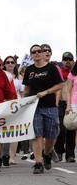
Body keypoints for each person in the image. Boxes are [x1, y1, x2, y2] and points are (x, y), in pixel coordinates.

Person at [23, 44, 62, 174]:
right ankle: (38, 163)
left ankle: (47, 154)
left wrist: (46, 92)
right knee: (37, 134)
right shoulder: (29, 70)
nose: (37, 53)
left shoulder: (51, 68)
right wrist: (24, 102)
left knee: (51, 135)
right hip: (35, 108)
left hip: (50, 106)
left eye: (40, 51)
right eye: (34, 52)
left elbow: (59, 85)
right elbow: (27, 89)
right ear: (31, 55)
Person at [2, 56, 24, 165]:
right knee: (5, 130)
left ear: (15, 64)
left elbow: (22, 93)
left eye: (12, 62)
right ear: (4, 64)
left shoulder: (19, 77)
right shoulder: (1, 75)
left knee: (15, 131)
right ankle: (3, 154)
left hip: (17, 105)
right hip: (5, 105)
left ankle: (12, 157)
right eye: (8, 62)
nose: (10, 64)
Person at [55, 52, 76, 163]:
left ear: (73, 61)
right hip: (61, 103)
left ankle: (70, 155)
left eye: (70, 59)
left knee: (71, 129)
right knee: (61, 129)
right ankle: (59, 151)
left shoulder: (74, 73)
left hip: (72, 103)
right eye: (65, 59)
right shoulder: (59, 73)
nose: (68, 61)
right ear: (62, 61)